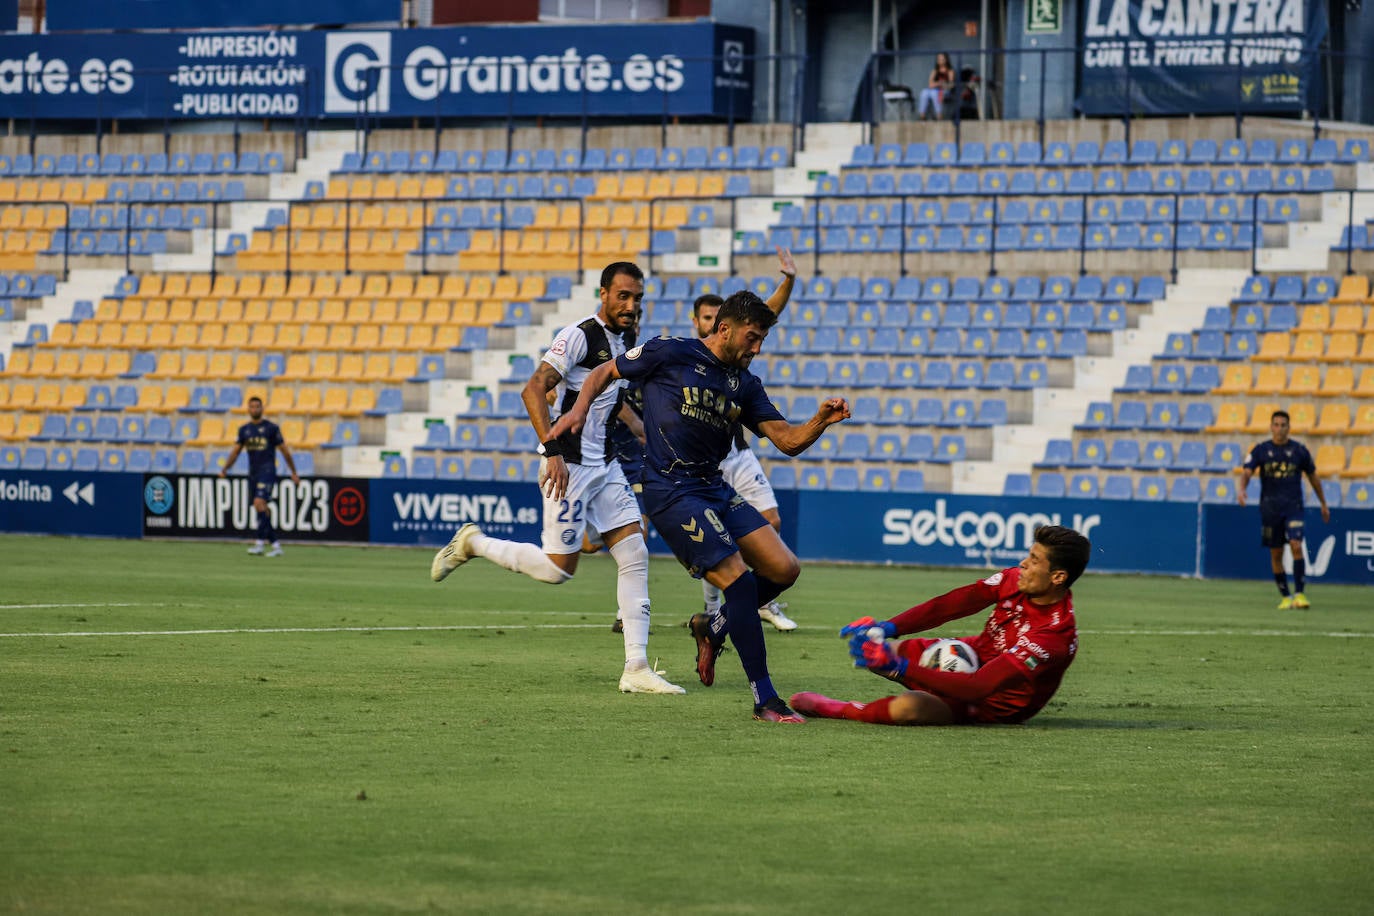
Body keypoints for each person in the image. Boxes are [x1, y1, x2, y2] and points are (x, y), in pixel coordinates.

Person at [548, 290, 851, 723]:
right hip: (671, 490)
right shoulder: (669, 352)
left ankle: (713, 627)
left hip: (715, 488)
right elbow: (604, 372)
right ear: (723, 328)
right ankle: (765, 698)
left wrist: (820, 419)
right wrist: (578, 411)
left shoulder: (744, 384)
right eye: (752, 338)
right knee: (741, 584)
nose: (757, 348)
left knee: (785, 570)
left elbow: (786, 440)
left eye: (762, 340)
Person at [430, 261, 684, 696]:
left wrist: (640, 427)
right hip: (568, 466)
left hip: (605, 466)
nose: (630, 305)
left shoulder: (627, 339)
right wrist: (552, 451)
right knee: (556, 572)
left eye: (637, 297)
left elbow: (604, 392)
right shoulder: (580, 335)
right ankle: (473, 543)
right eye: (623, 296)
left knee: (635, 552)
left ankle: (636, 667)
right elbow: (533, 387)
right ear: (603, 294)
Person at [790, 525, 1092, 727]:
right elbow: (955, 603)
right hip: (970, 654)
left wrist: (901, 668)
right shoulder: (1014, 578)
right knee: (876, 650)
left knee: (909, 708)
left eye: (1035, 560)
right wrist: (887, 628)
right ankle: (929, 683)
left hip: (994, 703)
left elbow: (979, 687)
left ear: (1058, 577)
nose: (1024, 563)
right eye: (1029, 554)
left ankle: (837, 708)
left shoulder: (1053, 634)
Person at [690, 247, 799, 632]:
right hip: (701, 462)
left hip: (736, 451)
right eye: (704, 317)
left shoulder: (738, 349)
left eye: (713, 317)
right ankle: (716, 607)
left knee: (771, 521)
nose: (709, 322)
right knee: (716, 538)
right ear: (699, 321)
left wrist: (788, 280)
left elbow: (767, 312)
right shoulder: (686, 355)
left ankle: (755, 600)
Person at [1238, 409, 1330, 609]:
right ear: (1271, 427)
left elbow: (1313, 477)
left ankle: (1300, 594)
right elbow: (1246, 471)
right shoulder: (1260, 450)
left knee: (1296, 544)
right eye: (1276, 425)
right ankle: (1285, 596)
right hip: (1270, 509)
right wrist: (1242, 488)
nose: (1279, 429)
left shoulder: (1299, 451)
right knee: (1276, 554)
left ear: (1289, 428)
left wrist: (1323, 502)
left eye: (1283, 425)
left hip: (1293, 507)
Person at [219, 395, 300, 557]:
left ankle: (259, 543)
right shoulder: (244, 430)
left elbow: (284, 451)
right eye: (252, 406)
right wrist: (225, 469)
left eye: (257, 406)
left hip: (268, 470)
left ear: (262, 409)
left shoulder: (271, 428)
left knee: (258, 502)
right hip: (253, 473)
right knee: (263, 509)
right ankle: (275, 546)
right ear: (248, 409)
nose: (255, 409)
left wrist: (293, 472)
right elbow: (235, 451)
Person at [917, 52, 955, 120]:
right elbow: (930, 85)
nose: (940, 61)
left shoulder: (950, 71)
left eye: (942, 59)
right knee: (924, 92)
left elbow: (951, 85)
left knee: (934, 93)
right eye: (939, 59)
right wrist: (939, 83)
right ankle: (922, 115)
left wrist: (942, 85)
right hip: (934, 89)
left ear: (946, 60)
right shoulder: (935, 71)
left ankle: (939, 115)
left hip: (945, 91)